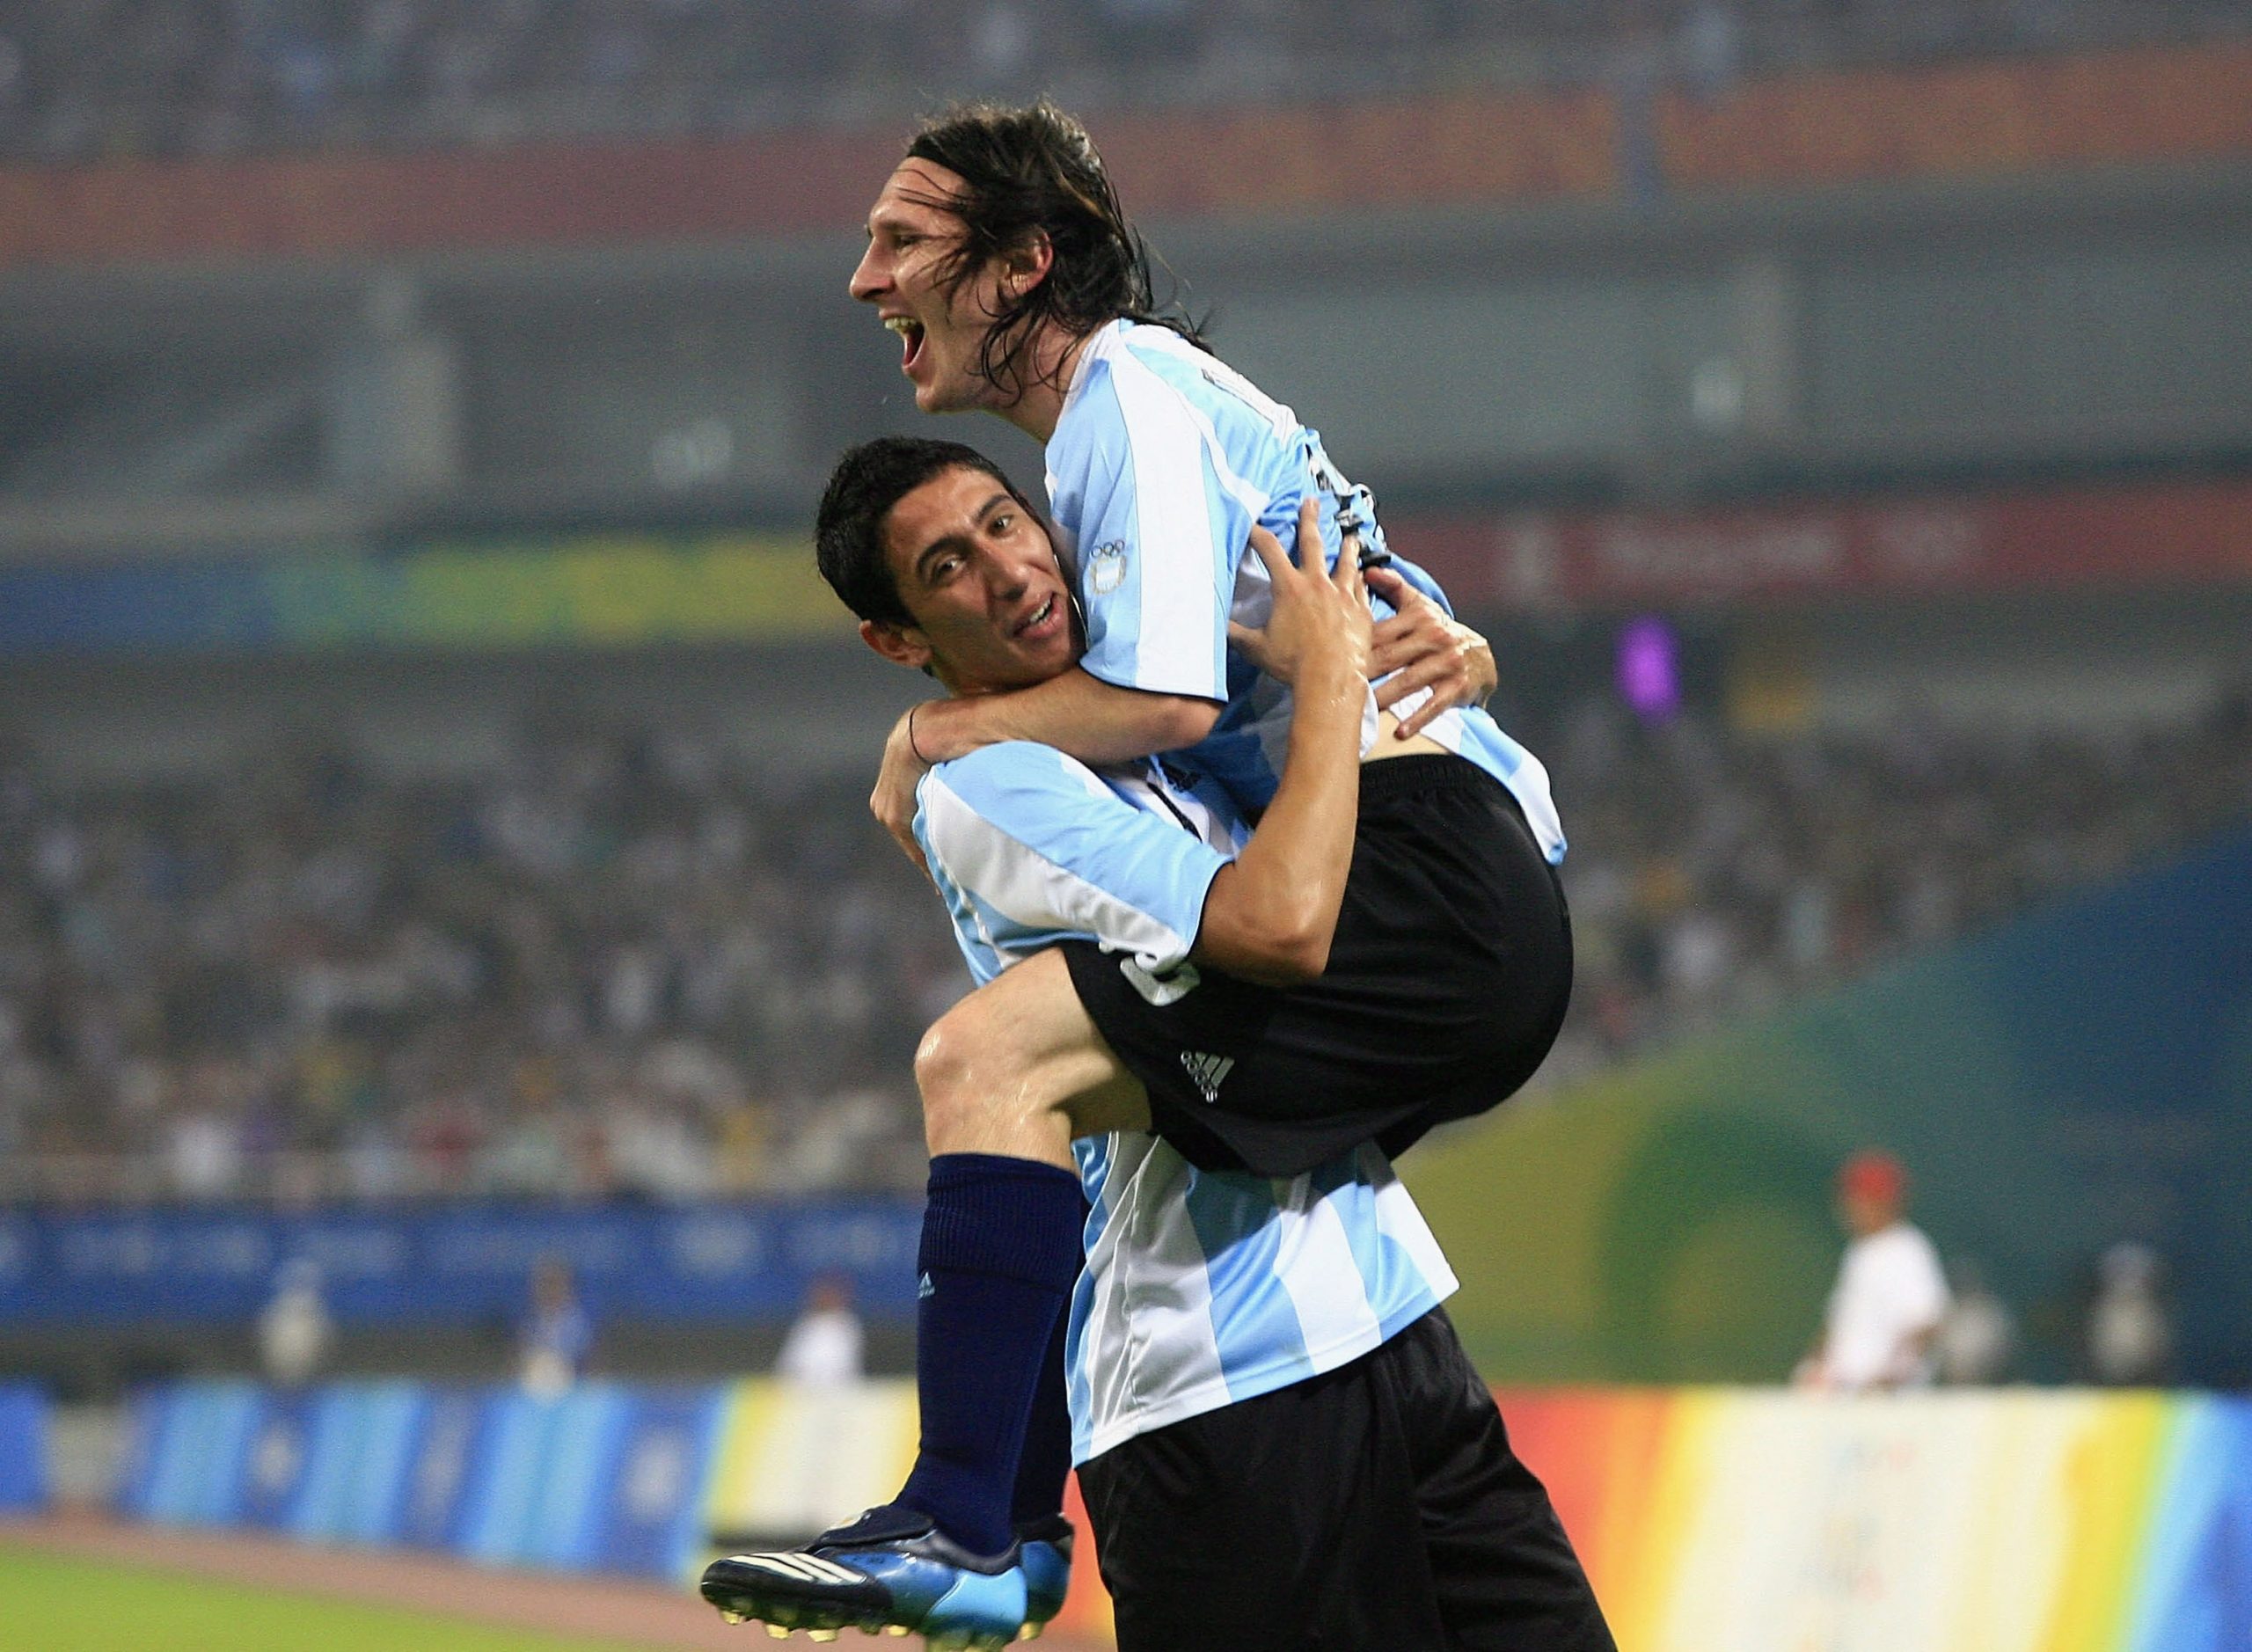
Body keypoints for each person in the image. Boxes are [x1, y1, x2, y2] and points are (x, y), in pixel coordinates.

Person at [702, 442, 1612, 1651]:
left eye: (1004, 522)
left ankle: (980, 1519)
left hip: (1391, 1327)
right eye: (948, 567)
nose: (1009, 569)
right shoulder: (992, 790)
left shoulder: (1158, 710)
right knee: (982, 1051)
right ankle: (968, 1514)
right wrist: (1333, 682)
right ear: (900, 636)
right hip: (1214, 1386)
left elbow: (1373, 648)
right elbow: (1274, 923)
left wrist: (1455, 648)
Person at [1796, 1149, 1951, 1393]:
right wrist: (1815, 1365)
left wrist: (1890, 1378)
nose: (1849, 1207)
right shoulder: (1859, 1251)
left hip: (1887, 1404)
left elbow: (1925, 1324)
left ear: (1884, 1201)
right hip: (1846, 1396)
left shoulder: (1906, 1249)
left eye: (1860, 1199)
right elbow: (1840, 1322)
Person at [517, 1256, 593, 1399]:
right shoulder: (530, 1321)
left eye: (554, 1284)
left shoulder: (580, 1323)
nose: (549, 1291)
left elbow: (586, 1361)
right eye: (543, 1284)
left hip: (573, 1392)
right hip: (532, 1392)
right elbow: (522, 1357)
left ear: (568, 1288)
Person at [776, 1274, 866, 1390]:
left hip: (837, 1388)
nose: (826, 1299)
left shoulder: (848, 1324)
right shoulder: (806, 1322)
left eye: (831, 1295)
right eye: (823, 1294)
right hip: (800, 1387)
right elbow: (791, 1358)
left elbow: (844, 1362)